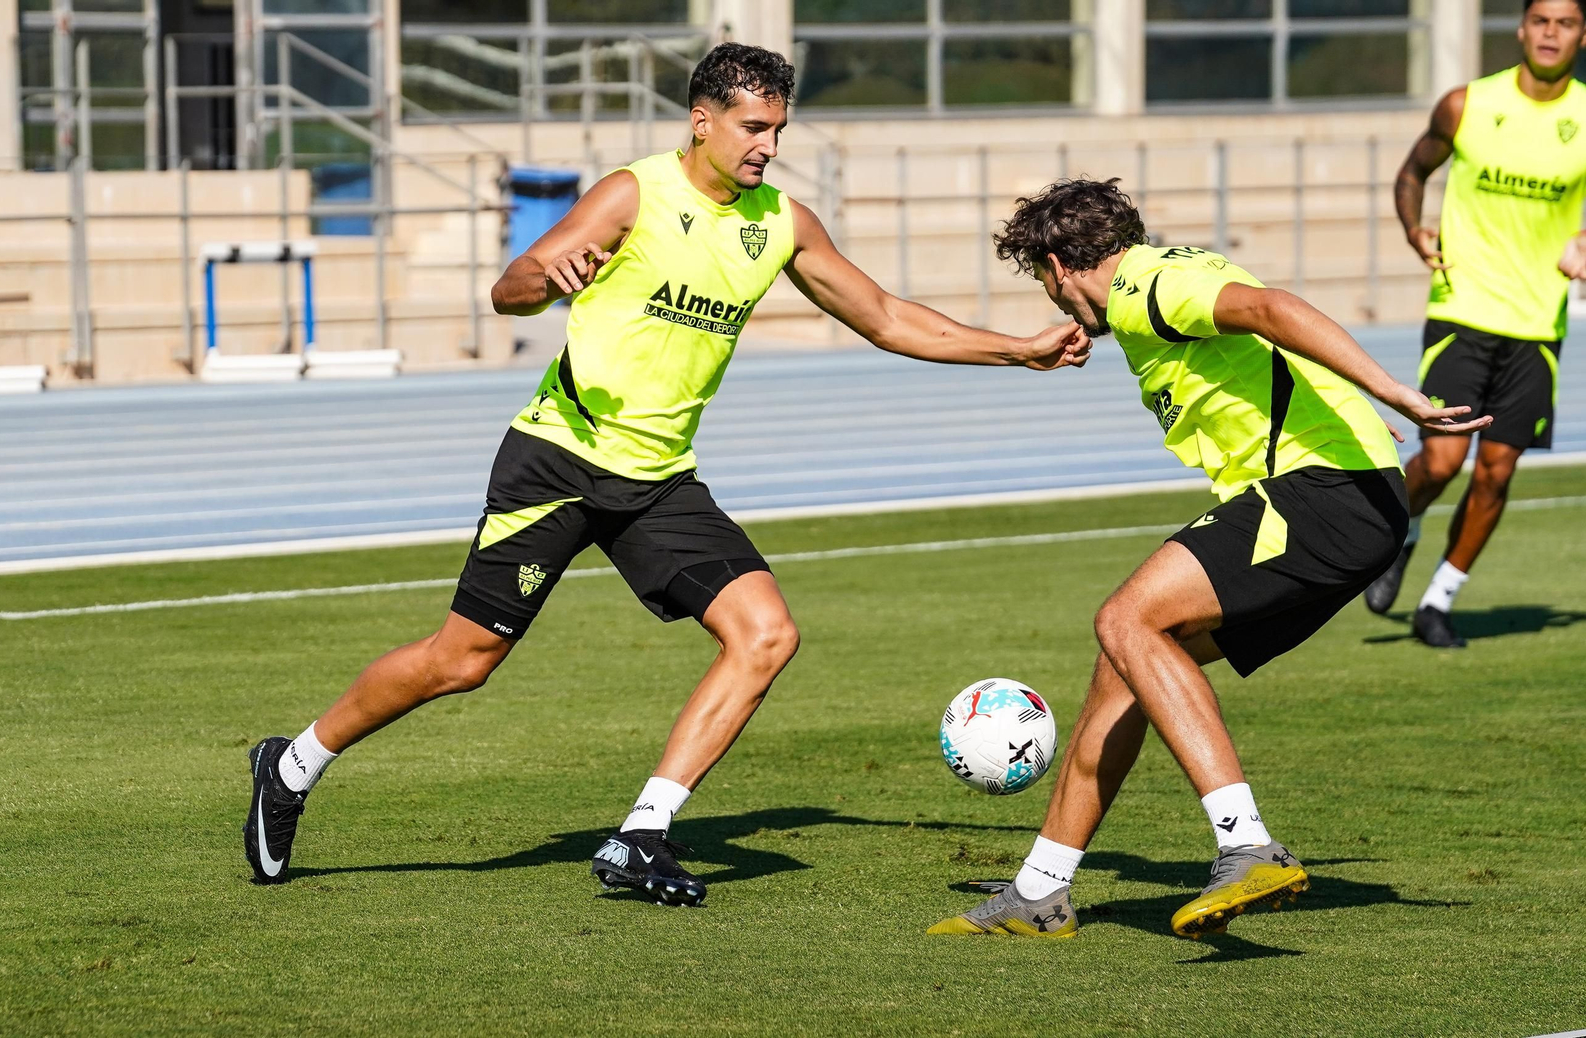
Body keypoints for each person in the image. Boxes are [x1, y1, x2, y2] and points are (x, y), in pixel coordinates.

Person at [243, 43, 1091, 903]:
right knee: (462, 661)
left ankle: (642, 833)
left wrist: (1015, 350)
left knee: (766, 634)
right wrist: (548, 278)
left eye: (778, 129)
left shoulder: (781, 223)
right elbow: (510, 288)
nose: (766, 145)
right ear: (703, 119)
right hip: (560, 461)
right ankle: (296, 760)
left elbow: (884, 316)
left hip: (659, 481)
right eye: (752, 127)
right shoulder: (633, 192)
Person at [929, 179, 1489, 940]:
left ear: (1060, 265)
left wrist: (1392, 391)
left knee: (1125, 617)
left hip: (1325, 493)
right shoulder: (1152, 288)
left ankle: (1245, 842)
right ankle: (1041, 890)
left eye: (1047, 284)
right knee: (1121, 662)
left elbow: (1273, 308)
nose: (1057, 304)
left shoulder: (1146, 285)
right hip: (1339, 498)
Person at [1365, 0, 1586, 647]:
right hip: (1462, 308)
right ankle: (1399, 533)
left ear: (1582, 34)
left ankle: (1438, 602)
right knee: (1439, 459)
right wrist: (1414, 229)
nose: (1551, 33)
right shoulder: (1466, 105)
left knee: (1496, 471)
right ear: (1520, 28)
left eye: (1566, 22)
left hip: (1537, 324)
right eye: (1541, 20)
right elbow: (1412, 173)